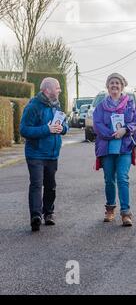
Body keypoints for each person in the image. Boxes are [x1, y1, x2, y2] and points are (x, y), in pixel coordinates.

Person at [20, 77, 69, 231]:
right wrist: (46, 129)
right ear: (47, 90)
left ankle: (49, 213)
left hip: (52, 154)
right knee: (36, 184)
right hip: (35, 154)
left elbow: (64, 125)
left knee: (50, 186)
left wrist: (63, 129)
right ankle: (35, 216)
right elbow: (24, 130)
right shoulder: (33, 107)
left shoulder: (57, 106)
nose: (60, 90)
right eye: (58, 87)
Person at [93, 73, 136, 227]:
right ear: (107, 86)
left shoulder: (130, 105)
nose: (114, 86)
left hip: (125, 146)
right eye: (111, 83)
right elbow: (97, 124)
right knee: (109, 179)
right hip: (106, 147)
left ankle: (126, 213)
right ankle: (110, 209)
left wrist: (126, 130)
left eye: (117, 83)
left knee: (122, 178)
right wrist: (113, 134)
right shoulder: (100, 106)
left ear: (122, 86)